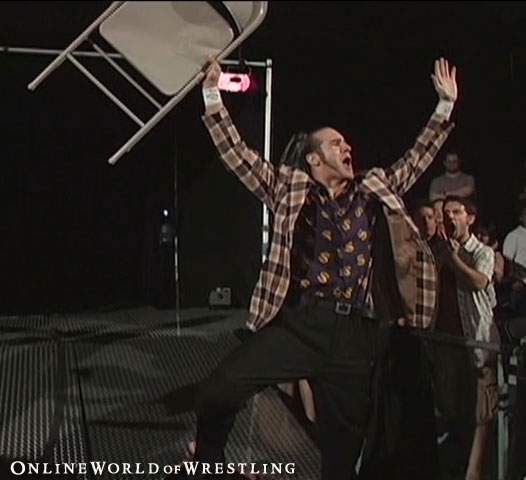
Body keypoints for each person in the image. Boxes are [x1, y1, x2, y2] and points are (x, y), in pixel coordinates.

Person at [173, 58, 457, 480]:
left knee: (340, 459)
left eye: (347, 144)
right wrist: (212, 94)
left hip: (356, 337)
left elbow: (416, 159)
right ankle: (209, 466)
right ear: (314, 159)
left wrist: (445, 106)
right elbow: (237, 156)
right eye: (336, 144)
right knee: (218, 392)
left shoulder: (373, 186)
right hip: (301, 325)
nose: (347, 148)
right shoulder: (290, 186)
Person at [432, 196, 499, 480]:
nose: (451, 217)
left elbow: (479, 281)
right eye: (446, 213)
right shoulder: (438, 252)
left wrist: (454, 259)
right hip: (446, 343)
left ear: (469, 218)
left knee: (480, 414)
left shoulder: (482, 252)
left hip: (476, 342)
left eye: (457, 212)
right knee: (448, 411)